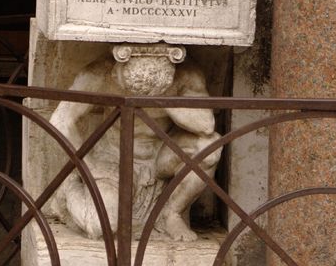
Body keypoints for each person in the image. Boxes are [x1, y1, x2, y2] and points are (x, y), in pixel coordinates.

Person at [48, 44, 221, 242]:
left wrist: (163, 98)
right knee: (101, 225)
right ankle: (69, 189)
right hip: (114, 159)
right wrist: (91, 167)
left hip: (160, 155)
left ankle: (171, 213)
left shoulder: (186, 75)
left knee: (209, 148)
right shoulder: (102, 73)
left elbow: (206, 125)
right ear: (120, 71)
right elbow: (61, 121)